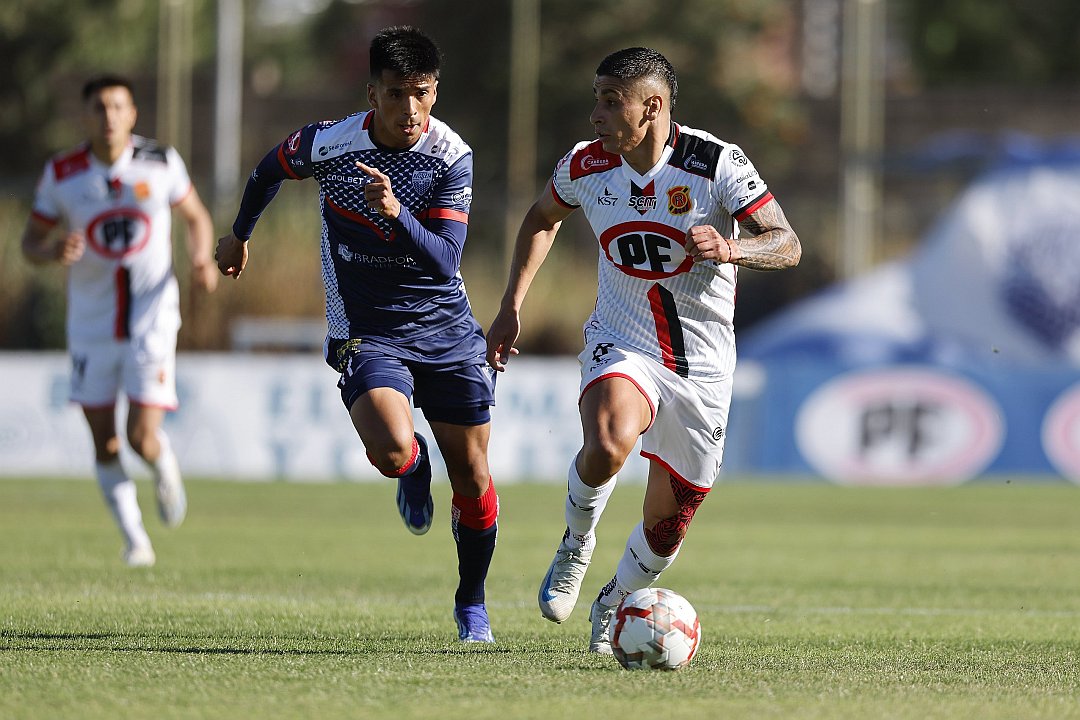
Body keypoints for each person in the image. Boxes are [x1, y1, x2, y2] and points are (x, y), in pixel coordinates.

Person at [486, 47, 801, 653]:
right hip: (623, 339)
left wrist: (733, 249)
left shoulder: (716, 166)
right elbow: (540, 218)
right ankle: (576, 544)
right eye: (597, 99)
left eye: (611, 101)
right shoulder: (586, 166)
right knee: (607, 443)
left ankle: (612, 602)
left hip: (705, 366)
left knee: (666, 524)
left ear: (651, 106)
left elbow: (786, 243)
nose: (596, 115)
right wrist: (511, 304)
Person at [215, 26, 499, 643]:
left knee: (473, 475)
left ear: (435, 91)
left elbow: (447, 259)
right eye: (396, 94)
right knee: (394, 449)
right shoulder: (330, 144)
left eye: (421, 93)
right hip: (368, 328)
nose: (409, 109)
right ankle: (413, 470)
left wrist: (396, 218)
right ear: (372, 93)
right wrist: (240, 234)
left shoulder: (451, 155)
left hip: (445, 328)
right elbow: (269, 168)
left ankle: (471, 601)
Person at [21, 75, 218, 567]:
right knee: (105, 441)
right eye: (99, 108)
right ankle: (136, 540)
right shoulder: (63, 173)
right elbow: (30, 241)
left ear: (132, 114)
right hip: (90, 324)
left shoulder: (160, 162)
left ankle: (162, 461)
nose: (109, 116)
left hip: (151, 317)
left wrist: (201, 261)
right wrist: (52, 250)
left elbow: (196, 216)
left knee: (140, 437)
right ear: (85, 116)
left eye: (118, 107)